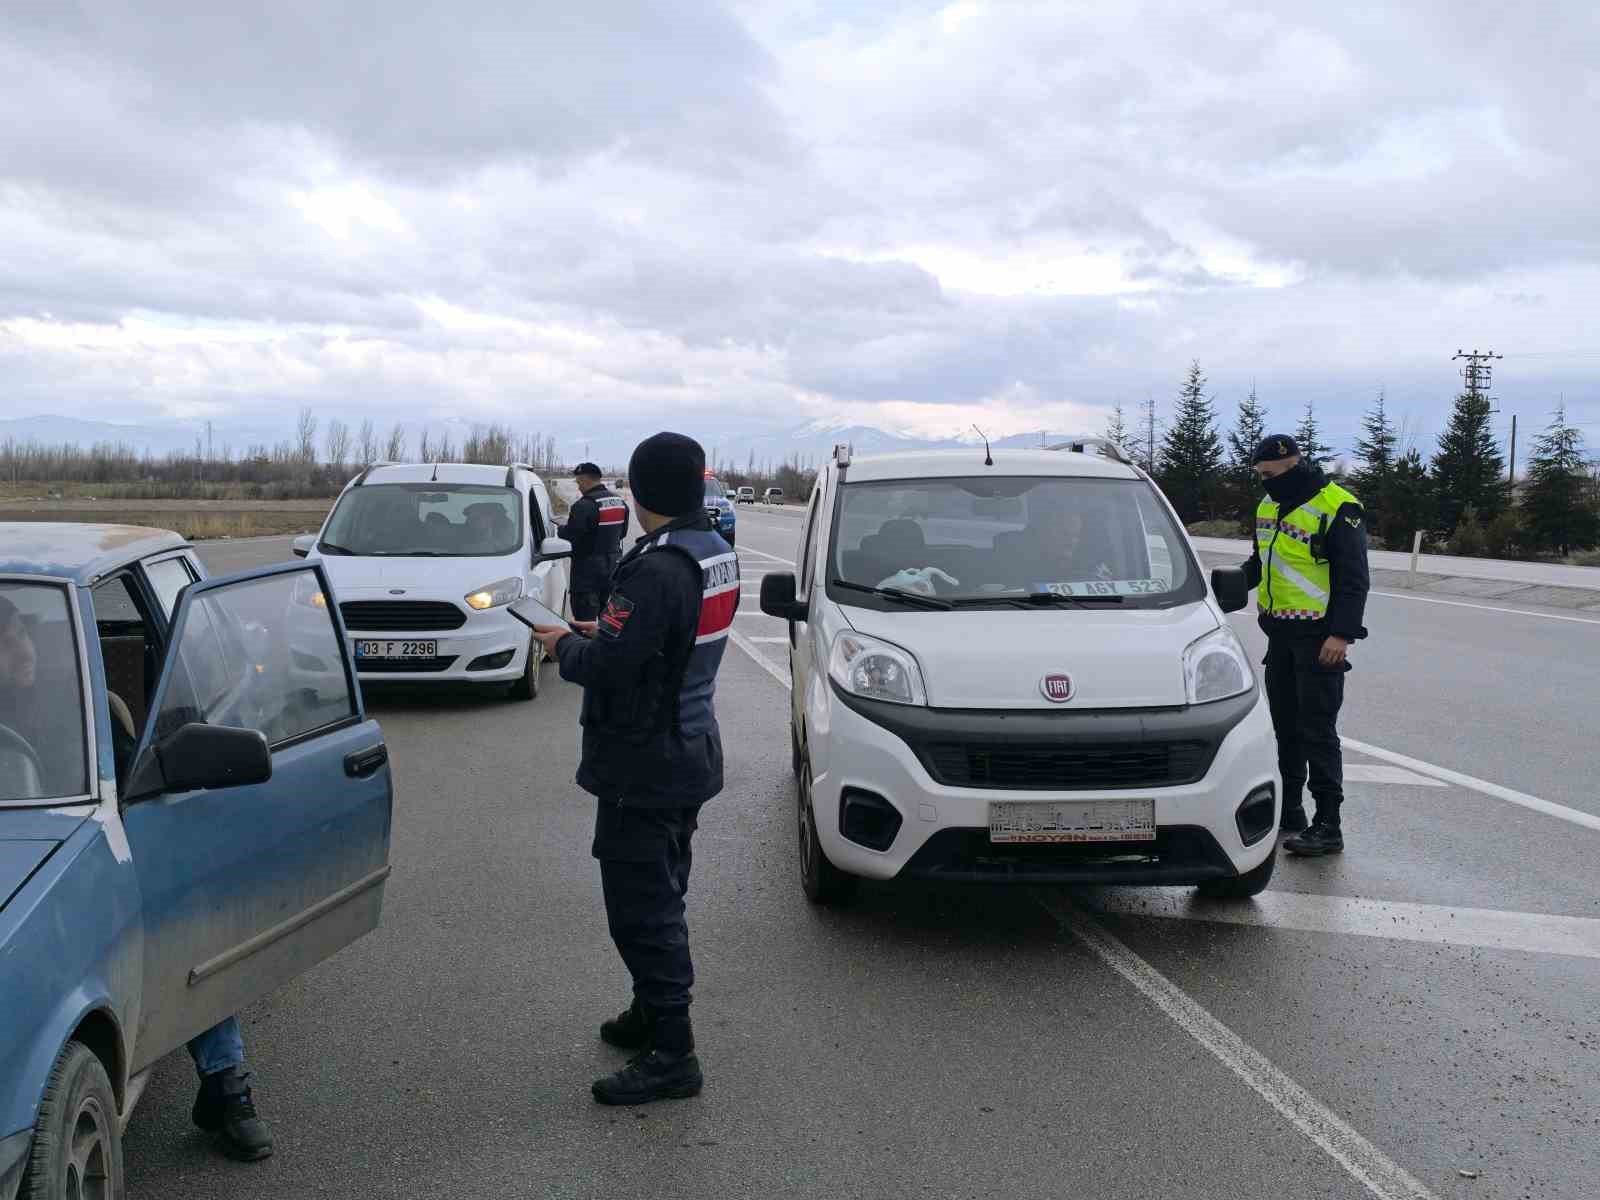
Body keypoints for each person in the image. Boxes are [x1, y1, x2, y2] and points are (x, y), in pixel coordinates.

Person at [0, 593, 275, 1162]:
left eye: (22, 634)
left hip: (98, 847)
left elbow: (135, 792)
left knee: (185, 931)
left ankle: (227, 1087)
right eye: (4, 643)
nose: (21, 650)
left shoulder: (78, 703)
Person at [531, 433, 738, 1106]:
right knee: (665, 885)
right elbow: (661, 645)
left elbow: (613, 669)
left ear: (640, 489)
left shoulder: (654, 568)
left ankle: (673, 1052)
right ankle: (651, 1012)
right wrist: (607, 634)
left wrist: (567, 644)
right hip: (689, 746)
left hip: (644, 763)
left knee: (642, 910)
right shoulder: (711, 551)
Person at [1241, 435, 1370, 857]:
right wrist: (1221, 587)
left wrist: (1341, 634)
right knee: (1286, 728)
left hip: (1319, 638)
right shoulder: (1267, 506)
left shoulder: (1337, 506)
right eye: (1259, 476)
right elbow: (1260, 563)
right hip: (1279, 633)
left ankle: (1328, 824)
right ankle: (1290, 808)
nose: (1264, 483)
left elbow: (1353, 578)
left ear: (1293, 465)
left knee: (1318, 732)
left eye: (1271, 475)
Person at [558, 463, 631, 621]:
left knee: (584, 626)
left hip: (587, 577)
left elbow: (571, 536)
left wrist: (559, 529)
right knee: (610, 626)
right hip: (613, 572)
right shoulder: (620, 502)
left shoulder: (583, 506)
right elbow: (622, 533)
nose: (578, 487)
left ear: (585, 481)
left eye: (578, 482)